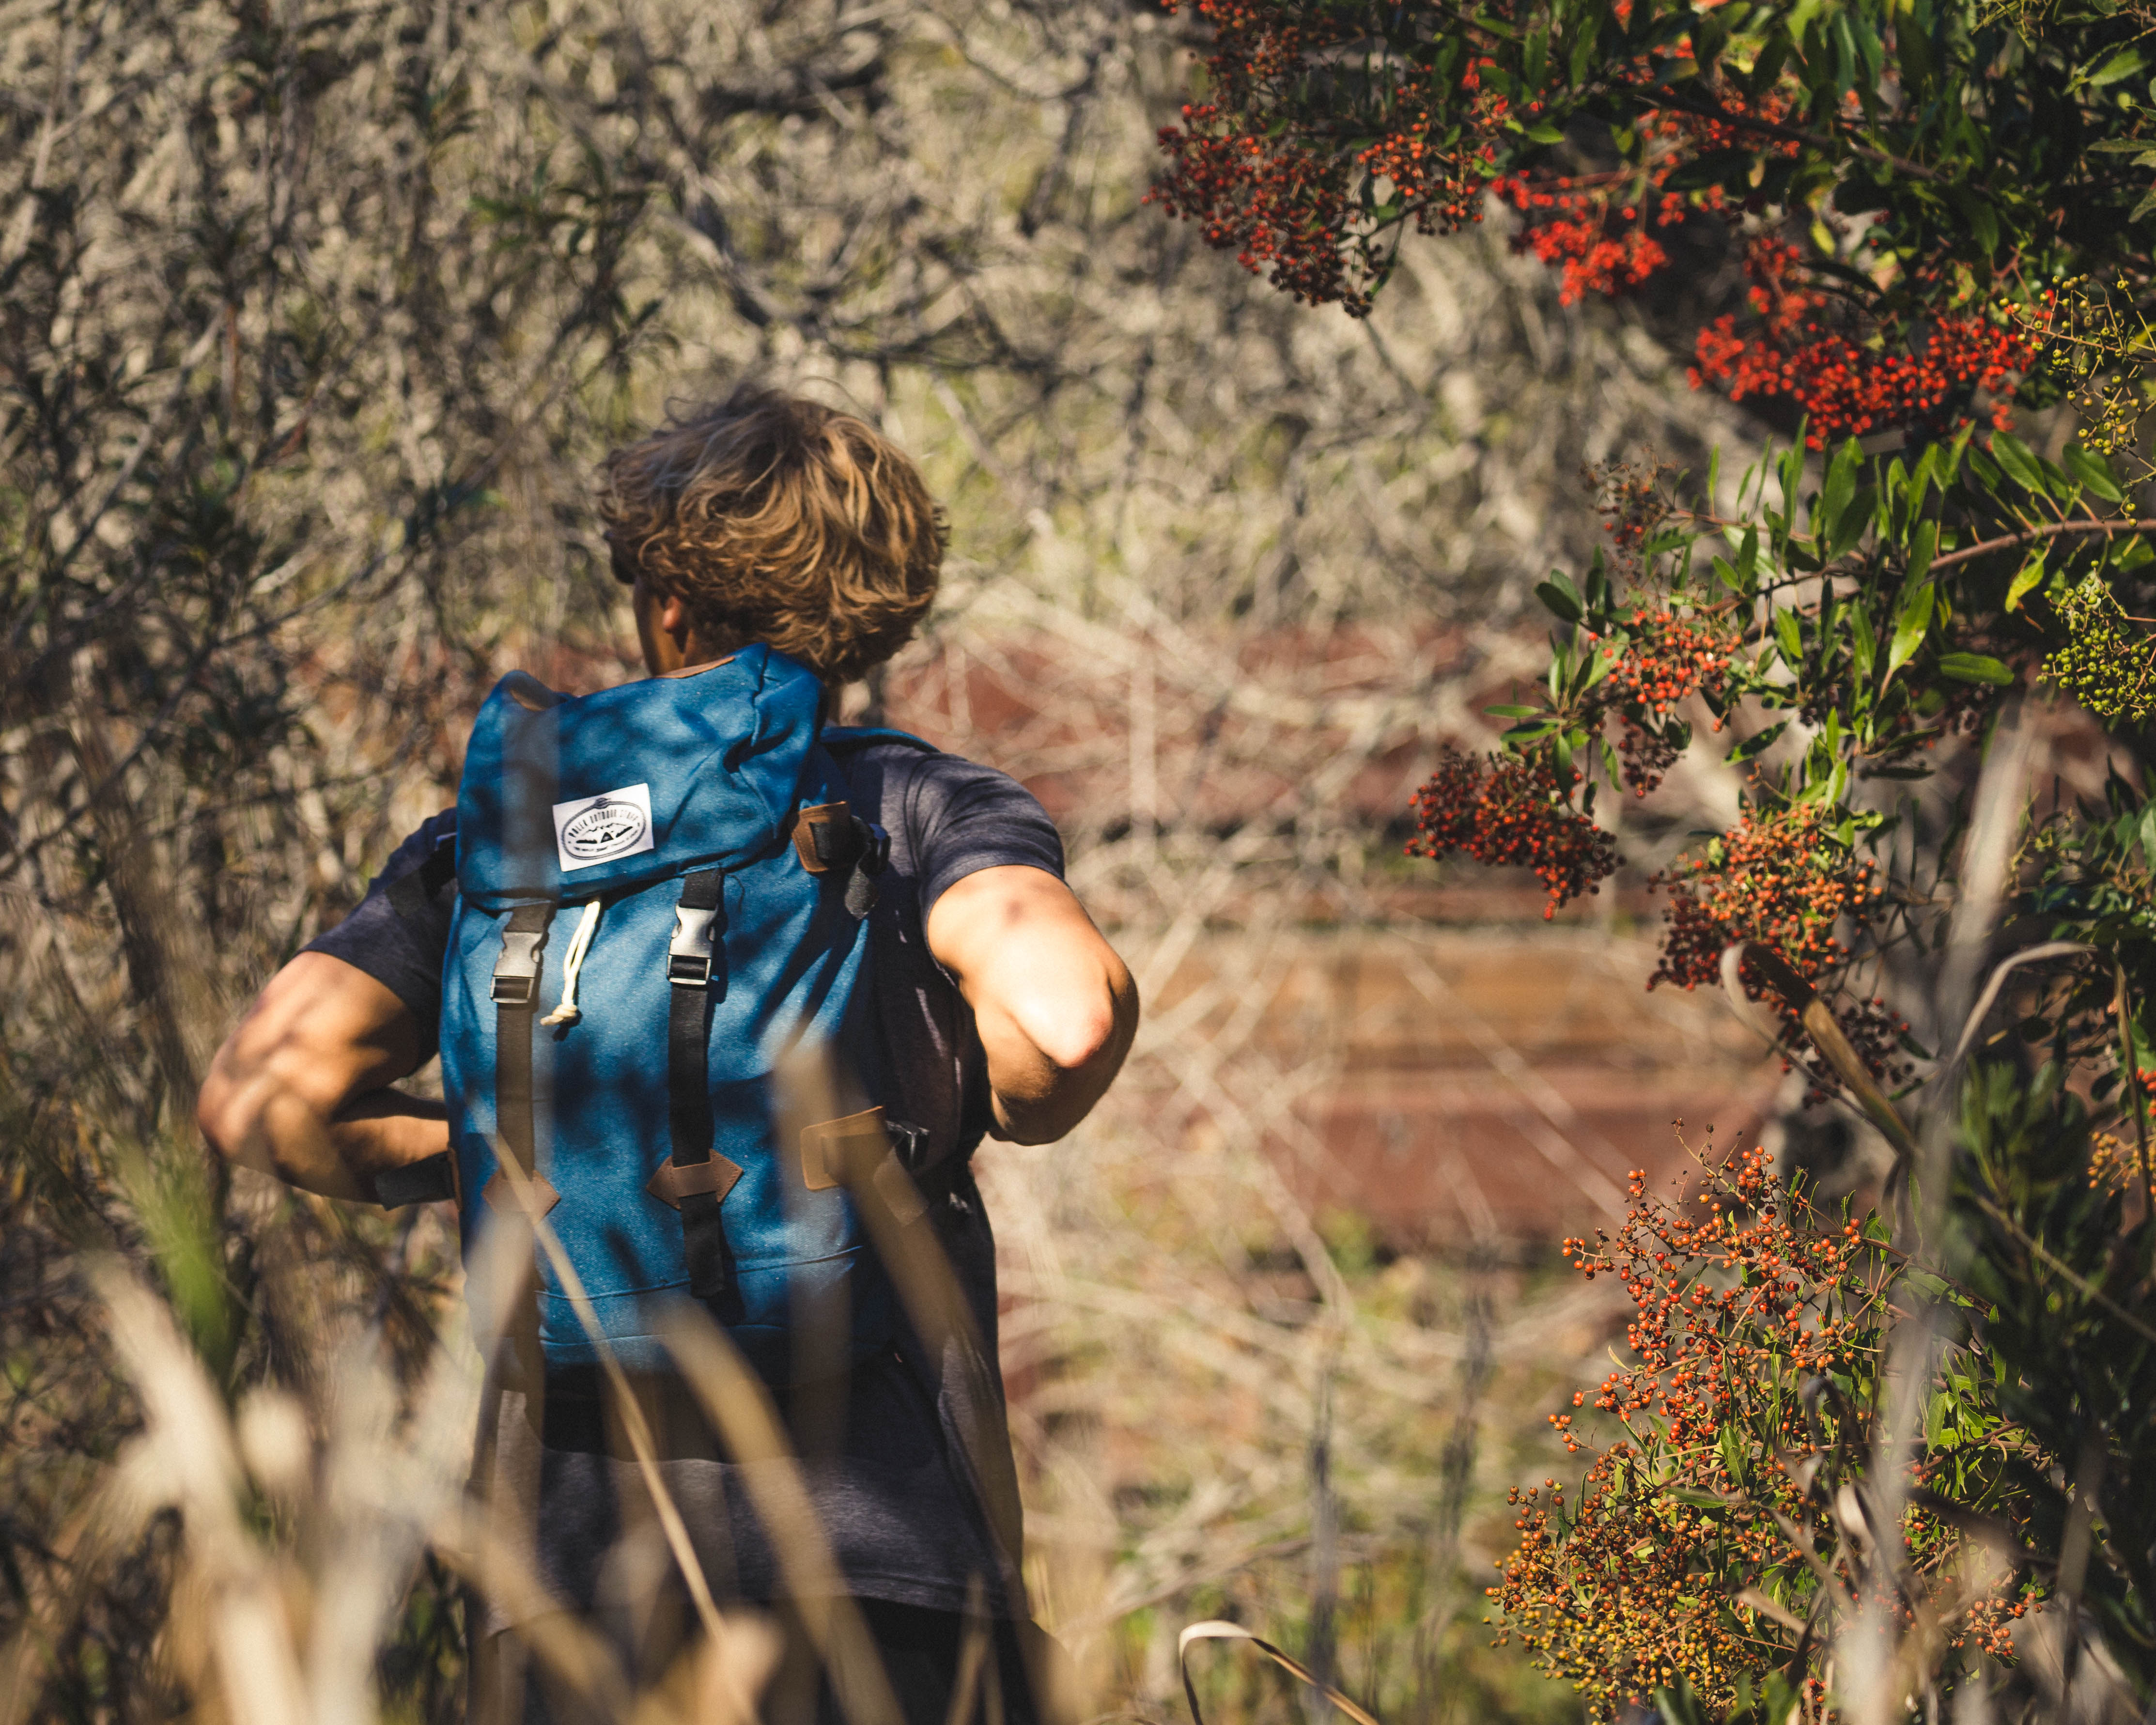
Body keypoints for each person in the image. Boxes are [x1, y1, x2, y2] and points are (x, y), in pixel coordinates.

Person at [197, 385, 1140, 1725]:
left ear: (669, 605)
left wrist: (472, 1166)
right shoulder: (914, 803)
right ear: (875, 614)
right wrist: (926, 1106)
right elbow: (1066, 1023)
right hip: (889, 1590)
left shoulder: (503, 838)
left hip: (569, 1601)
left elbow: (256, 1099)